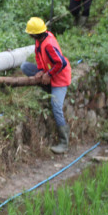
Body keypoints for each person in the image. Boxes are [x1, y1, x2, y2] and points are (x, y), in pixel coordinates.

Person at [22, 17, 72, 154]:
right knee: (25, 67)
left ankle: (64, 142)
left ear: (35, 34)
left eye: (30, 33)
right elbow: (38, 57)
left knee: (55, 106)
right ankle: (46, 85)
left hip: (59, 79)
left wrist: (49, 74)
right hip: (49, 74)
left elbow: (61, 63)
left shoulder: (48, 43)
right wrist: (40, 71)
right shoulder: (39, 41)